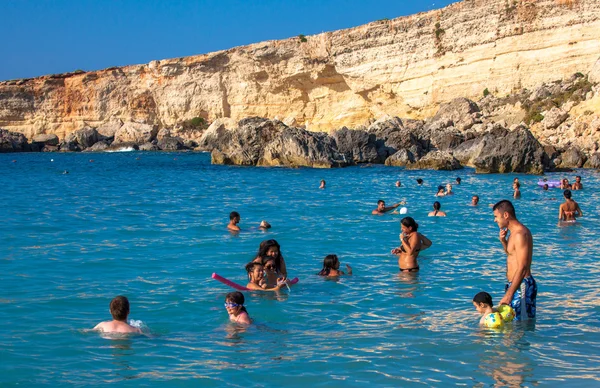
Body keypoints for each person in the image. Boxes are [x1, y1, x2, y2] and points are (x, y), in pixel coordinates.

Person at [492, 200, 536, 320]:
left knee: (521, 326)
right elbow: (511, 255)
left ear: (506, 215)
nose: (495, 220)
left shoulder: (520, 234)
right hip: (515, 285)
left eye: (496, 216)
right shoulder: (513, 233)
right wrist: (503, 241)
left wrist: (509, 294)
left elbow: (523, 267)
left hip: (521, 285)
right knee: (513, 326)